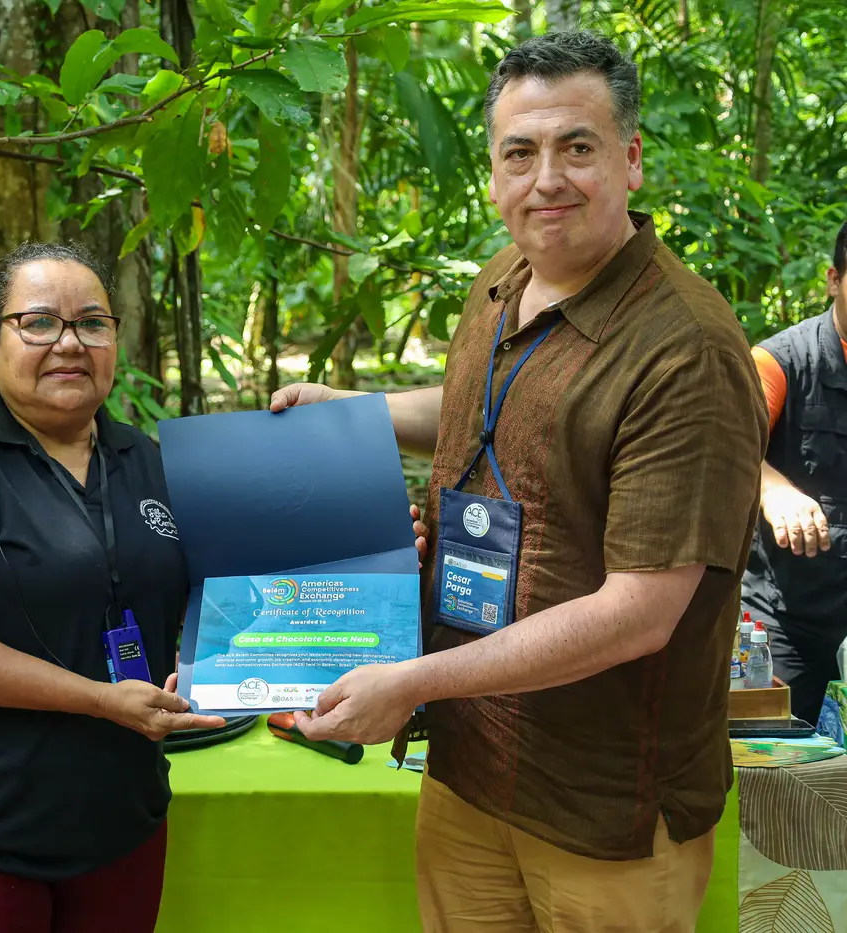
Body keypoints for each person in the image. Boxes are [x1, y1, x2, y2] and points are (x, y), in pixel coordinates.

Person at [272, 31, 766, 932]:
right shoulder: (504, 281)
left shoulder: (684, 349)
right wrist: (351, 412)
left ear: (630, 159)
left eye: (577, 147)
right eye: (520, 153)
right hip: (472, 767)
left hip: (601, 805)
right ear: (494, 174)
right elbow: (485, 408)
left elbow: (639, 614)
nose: (547, 180)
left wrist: (412, 680)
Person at [0, 242, 228, 933]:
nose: (69, 343)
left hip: (122, 820)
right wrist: (99, 699)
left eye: (92, 323)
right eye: (38, 322)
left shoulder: (150, 462)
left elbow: (216, 599)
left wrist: (363, 555)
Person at [741, 219, 847, 722]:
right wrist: (770, 486)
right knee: (768, 749)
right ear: (834, 280)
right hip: (786, 619)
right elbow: (721, 450)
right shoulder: (777, 362)